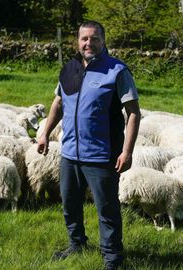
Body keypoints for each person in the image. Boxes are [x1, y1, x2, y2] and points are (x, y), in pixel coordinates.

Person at [37, 20, 140, 269]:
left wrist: (127, 151)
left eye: (94, 38)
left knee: (107, 209)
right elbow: (58, 104)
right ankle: (77, 244)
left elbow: (133, 112)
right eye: (84, 38)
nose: (89, 43)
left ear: (103, 41)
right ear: (77, 41)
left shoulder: (117, 71)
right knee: (69, 204)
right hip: (70, 153)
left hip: (102, 155)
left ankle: (112, 258)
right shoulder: (69, 69)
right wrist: (44, 133)